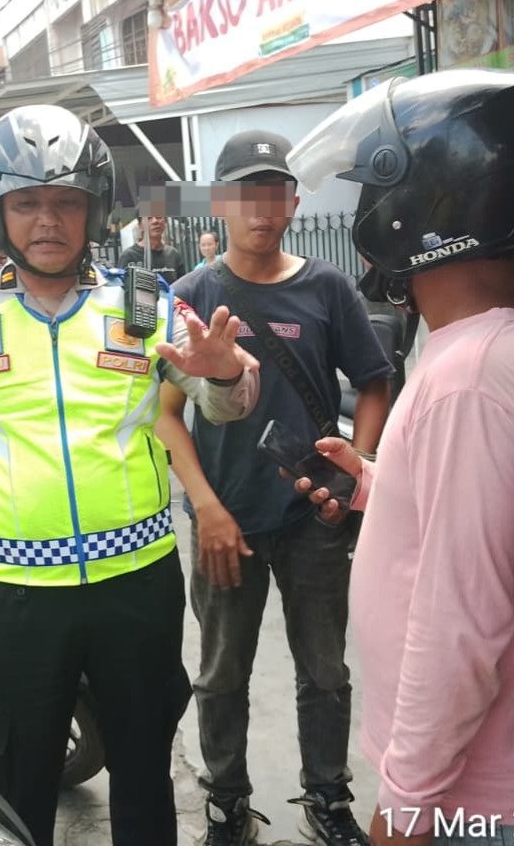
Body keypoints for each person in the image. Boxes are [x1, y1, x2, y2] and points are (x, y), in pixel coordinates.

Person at [0, 104, 260, 846]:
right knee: (14, 774)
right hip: (16, 595)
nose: (48, 221)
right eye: (26, 203)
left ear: (93, 210)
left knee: (143, 762)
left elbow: (222, 407)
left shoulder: (144, 305)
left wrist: (227, 373)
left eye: (66, 202)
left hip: (137, 586)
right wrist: (0, 523)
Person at [286, 70, 514, 846]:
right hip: (507, 767)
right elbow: (488, 520)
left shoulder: (472, 380)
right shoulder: (513, 332)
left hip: (481, 796)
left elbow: (459, 627)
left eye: (371, 189)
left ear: (419, 204)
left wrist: (404, 805)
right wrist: (381, 488)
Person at [157, 129, 392, 846]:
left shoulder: (328, 288)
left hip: (313, 517)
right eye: (245, 194)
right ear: (219, 203)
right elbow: (165, 417)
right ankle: (227, 804)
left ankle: (327, 798)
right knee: (221, 674)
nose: (261, 209)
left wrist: (357, 466)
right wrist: (206, 508)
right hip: (225, 518)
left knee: (324, 670)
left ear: (293, 202)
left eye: (274, 193)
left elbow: (374, 382)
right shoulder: (191, 296)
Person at [119, 214, 185, 283]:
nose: (155, 221)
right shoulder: (129, 256)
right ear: (140, 225)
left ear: (165, 222)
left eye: (159, 217)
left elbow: (182, 286)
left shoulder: (173, 254)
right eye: (149, 218)